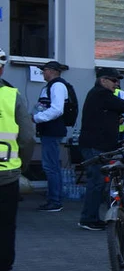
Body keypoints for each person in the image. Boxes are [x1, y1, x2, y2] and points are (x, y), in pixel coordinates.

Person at [0, 49, 37, 271]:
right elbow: (27, 137)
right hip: (6, 174)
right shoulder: (11, 96)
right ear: (2, 68)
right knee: (5, 225)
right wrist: (21, 166)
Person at [78, 67, 124, 231]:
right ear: (103, 80)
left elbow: (106, 113)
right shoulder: (101, 94)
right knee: (96, 182)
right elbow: (123, 105)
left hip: (98, 145)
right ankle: (89, 218)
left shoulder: (99, 96)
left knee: (99, 182)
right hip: (96, 146)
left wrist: (114, 119)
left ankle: (92, 216)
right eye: (114, 80)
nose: (117, 84)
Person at [32, 60, 73, 212]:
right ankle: (54, 198)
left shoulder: (57, 86)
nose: (43, 73)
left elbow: (57, 110)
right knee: (52, 166)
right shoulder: (51, 86)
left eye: (44, 70)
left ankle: (55, 201)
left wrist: (36, 118)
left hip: (52, 131)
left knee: (51, 167)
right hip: (49, 131)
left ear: (52, 71)